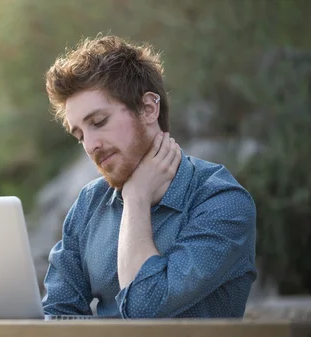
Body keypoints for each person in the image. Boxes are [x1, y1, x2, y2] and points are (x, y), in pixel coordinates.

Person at [41, 34, 257, 319]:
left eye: (99, 122)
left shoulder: (223, 202)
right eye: (80, 134)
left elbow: (145, 311)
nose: (90, 145)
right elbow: (56, 312)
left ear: (148, 108)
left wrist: (136, 199)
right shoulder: (89, 204)